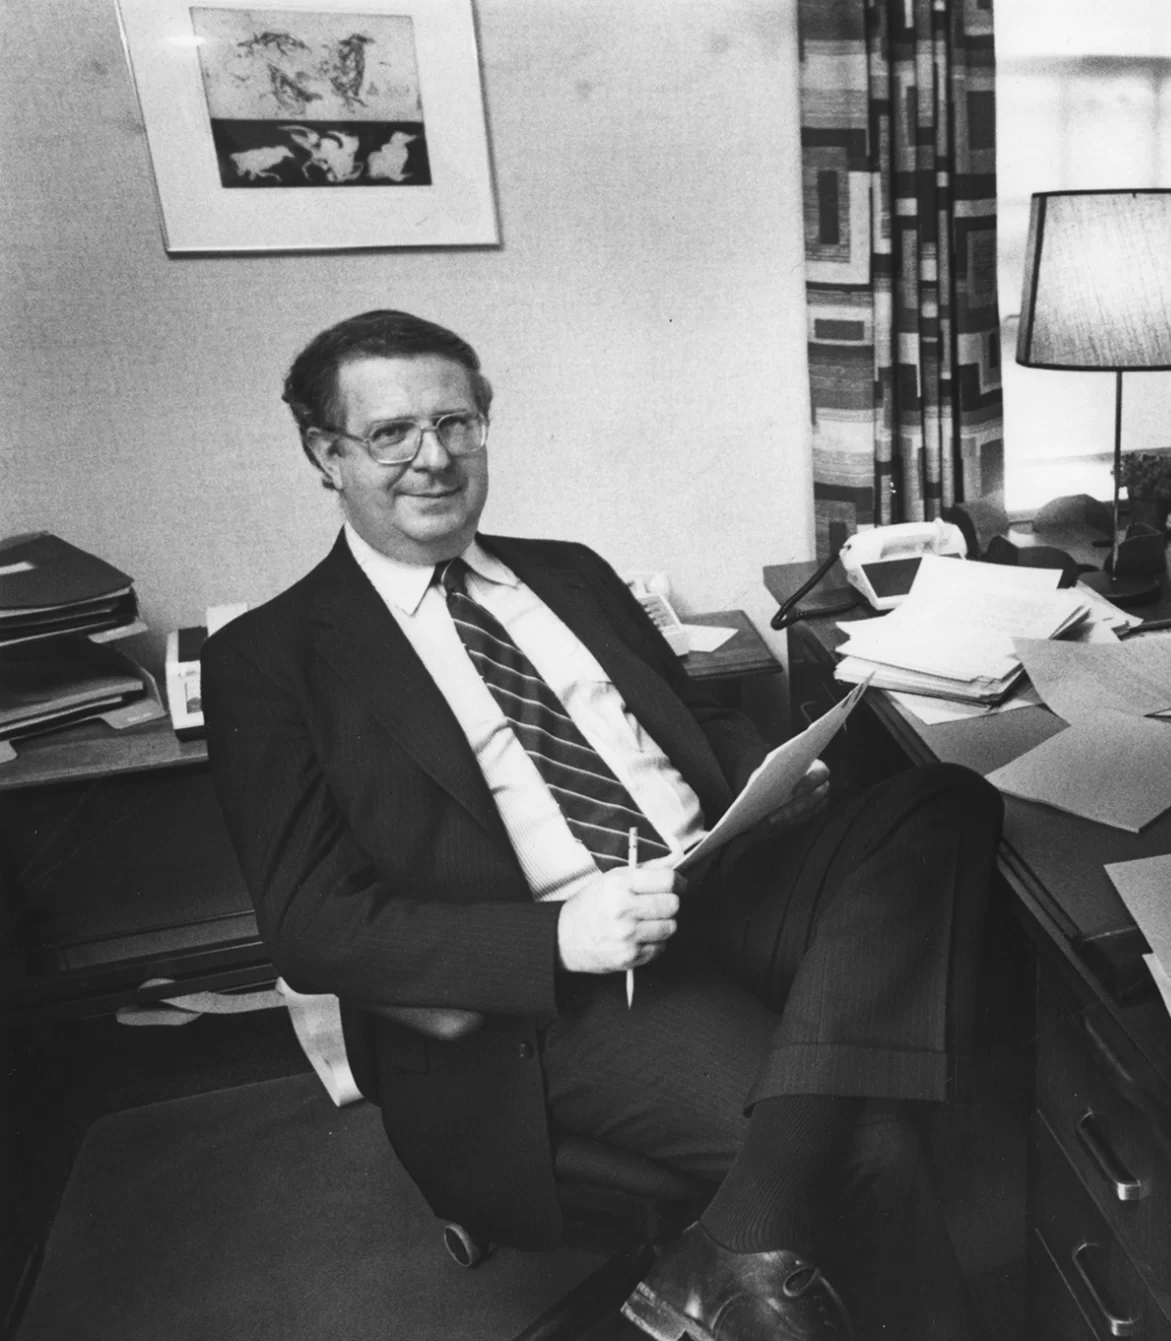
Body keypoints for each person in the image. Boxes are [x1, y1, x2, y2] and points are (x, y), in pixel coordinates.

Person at [203, 310, 1004, 1341]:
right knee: (869, 1143)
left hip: (722, 881)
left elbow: (682, 718)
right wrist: (557, 938)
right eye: (391, 433)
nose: (434, 457)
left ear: (485, 423)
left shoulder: (568, 572)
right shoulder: (270, 660)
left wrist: (762, 785)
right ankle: (755, 1246)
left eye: (456, 421)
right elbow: (310, 923)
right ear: (326, 453)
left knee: (942, 799)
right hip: (578, 989)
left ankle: (727, 1251)